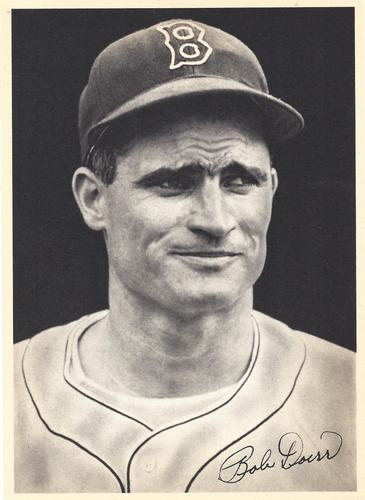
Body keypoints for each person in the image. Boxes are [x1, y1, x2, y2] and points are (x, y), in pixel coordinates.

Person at [14, 19, 355, 492]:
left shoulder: (352, 399)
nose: (215, 220)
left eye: (240, 180)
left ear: (272, 189)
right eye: (173, 181)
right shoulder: (11, 395)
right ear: (94, 199)